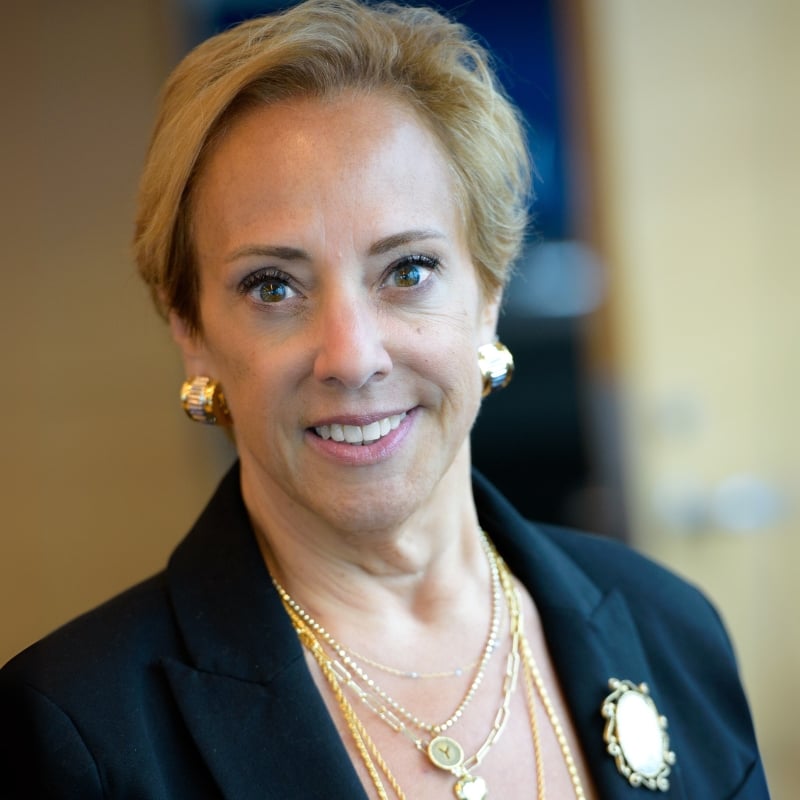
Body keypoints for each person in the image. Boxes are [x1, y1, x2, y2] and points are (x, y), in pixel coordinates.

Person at [0, 0, 769, 797]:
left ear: (489, 290)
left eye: (407, 271)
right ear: (190, 327)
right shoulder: (75, 731)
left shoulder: (671, 625)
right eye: (273, 286)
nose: (352, 357)